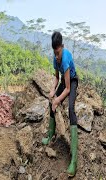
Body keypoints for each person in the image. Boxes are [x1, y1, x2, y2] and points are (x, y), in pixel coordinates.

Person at [42, 31, 79, 177]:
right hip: (64, 81)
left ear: (62, 47)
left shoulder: (65, 59)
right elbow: (57, 78)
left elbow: (69, 88)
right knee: (52, 102)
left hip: (73, 82)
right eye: (54, 52)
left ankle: (74, 161)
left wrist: (58, 99)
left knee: (70, 109)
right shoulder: (55, 58)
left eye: (58, 52)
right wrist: (53, 92)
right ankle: (50, 135)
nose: (56, 55)